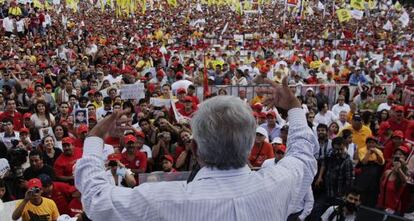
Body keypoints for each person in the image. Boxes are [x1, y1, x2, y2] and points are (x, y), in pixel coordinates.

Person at [74, 77, 319, 220]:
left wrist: (95, 136)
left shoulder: (165, 200)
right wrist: (295, 108)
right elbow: (303, 156)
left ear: (194, 148)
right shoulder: (276, 184)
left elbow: (97, 199)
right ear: (248, 148)